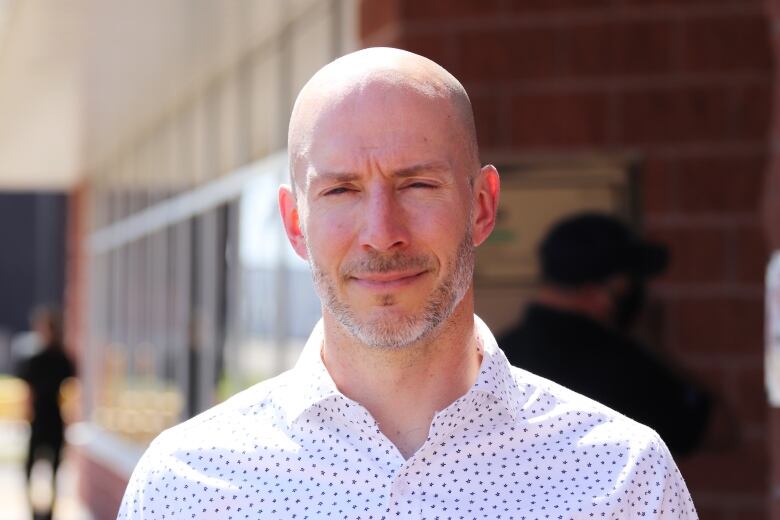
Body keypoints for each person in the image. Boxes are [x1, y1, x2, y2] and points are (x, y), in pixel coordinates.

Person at [118, 48, 697, 519]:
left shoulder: (624, 479)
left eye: (417, 185)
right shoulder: (185, 486)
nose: (381, 233)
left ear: (482, 206)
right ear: (296, 223)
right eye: (340, 190)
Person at [499, 212, 715, 457]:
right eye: (629, 282)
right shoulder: (623, 365)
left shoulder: (497, 356)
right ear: (604, 292)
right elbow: (720, 430)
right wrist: (655, 347)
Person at [16, 305, 76, 520]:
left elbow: (70, 391)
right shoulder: (38, 359)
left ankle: (47, 512)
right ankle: (36, 511)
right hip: (41, 419)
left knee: (51, 469)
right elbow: (29, 394)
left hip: (50, 418)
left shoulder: (58, 359)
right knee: (33, 468)